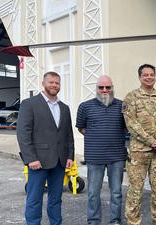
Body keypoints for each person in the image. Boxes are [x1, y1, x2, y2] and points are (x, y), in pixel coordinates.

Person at [17, 71, 75, 225]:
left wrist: (70, 156)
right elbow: (23, 134)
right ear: (43, 84)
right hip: (38, 162)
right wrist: (31, 159)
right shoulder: (29, 104)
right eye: (51, 82)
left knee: (56, 199)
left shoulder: (64, 108)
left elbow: (68, 135)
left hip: (60, 161)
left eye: (57, 83)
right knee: (34, 199)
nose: (54, 85)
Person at [123, 64, 156, 225]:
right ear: (140, 77)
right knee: (135, 191)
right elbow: (132, 124)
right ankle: (133, 222)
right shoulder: (131, 98)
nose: (149, 77)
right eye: (146, 75)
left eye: (152, 74)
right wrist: (152, 141)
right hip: (139, 153)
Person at [76, 75, 127, 225]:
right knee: (93, 193)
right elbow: (82, 128)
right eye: (101, 87)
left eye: (108, 87)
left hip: (117, 156)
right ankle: (93, 221)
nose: (104, 90)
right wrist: (98, 137)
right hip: (94, 157)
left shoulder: (122, 106)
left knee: (116, 193)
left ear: (112, 88)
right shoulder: (85, 107)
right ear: (96, 88)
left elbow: (125, 128)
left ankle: (115, 221)